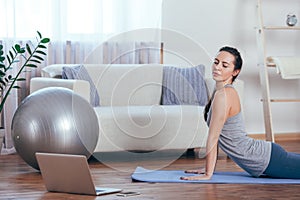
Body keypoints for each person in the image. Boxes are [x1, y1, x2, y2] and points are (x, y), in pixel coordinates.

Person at [180, 46, 300, 180]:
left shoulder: (224, 95)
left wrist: (208, 174)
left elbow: (213, 138)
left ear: (235, 72)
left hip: (266, 160)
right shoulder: (219, 91)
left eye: (224, 65)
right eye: (216, 62)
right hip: (265, 157)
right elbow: (220, 137)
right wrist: (208, 168)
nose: (217, 67)